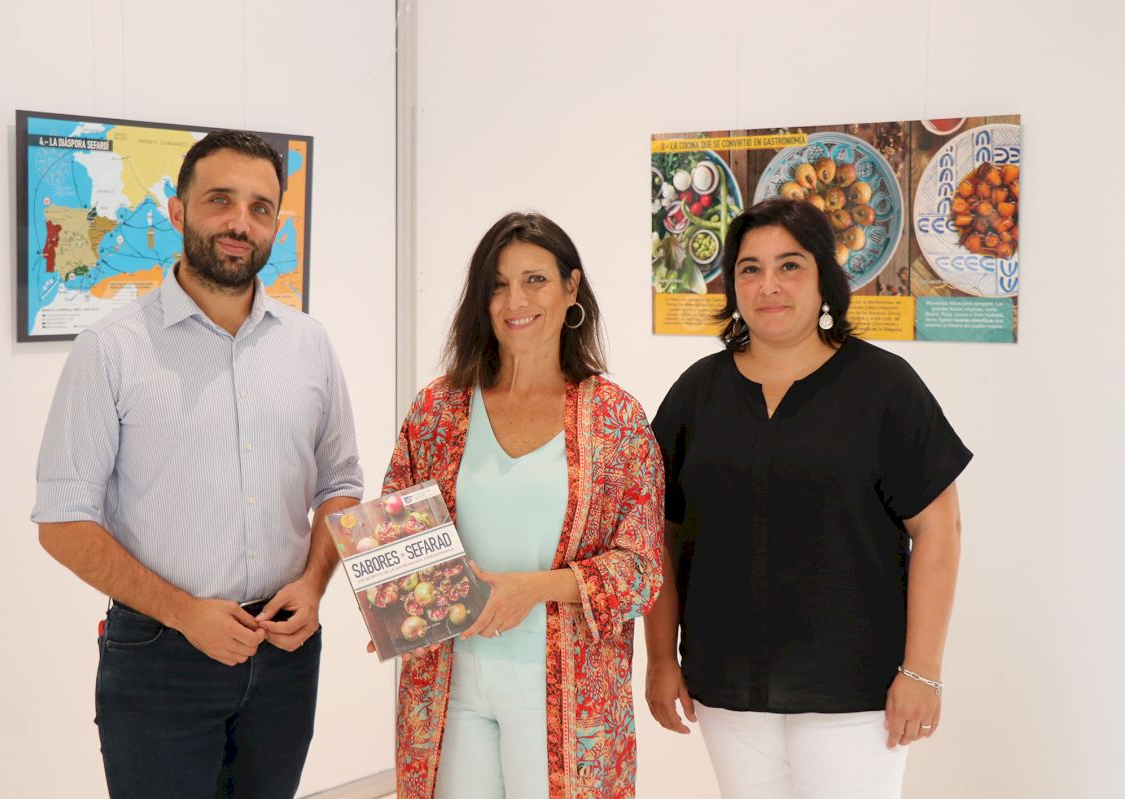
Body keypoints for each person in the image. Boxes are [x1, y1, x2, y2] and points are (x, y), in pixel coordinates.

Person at [31, 130, 363, 799]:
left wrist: (313, 584)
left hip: (285, 652)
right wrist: (184, 613)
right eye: (220, 200)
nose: (241, 222)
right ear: (178, 211)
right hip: (160, 656)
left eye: (260, 207)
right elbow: (63, 523)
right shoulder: (110, 350)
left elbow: (340, 485)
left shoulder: (309, 344)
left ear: (276, 224)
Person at [645, 198, 970, 799]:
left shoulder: (884, 387)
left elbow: (939, 529)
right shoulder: (698, 392)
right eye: (750, 269)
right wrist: (661, 657)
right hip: (727, 691)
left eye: (789, 266)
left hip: (857, 694)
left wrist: (923, 671)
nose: (768, 285)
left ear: (824, 278)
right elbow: (657, 534)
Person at [380, 212, 664, 798]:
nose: (516, 301)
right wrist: (394, 603)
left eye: (535, 280)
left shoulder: (616, 419)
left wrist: (531, 589)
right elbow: (396, 534)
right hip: (448, 685)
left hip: (568, 693)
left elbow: (642, 572)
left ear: (571, 288)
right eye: (498, 284)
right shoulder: (437, 411)